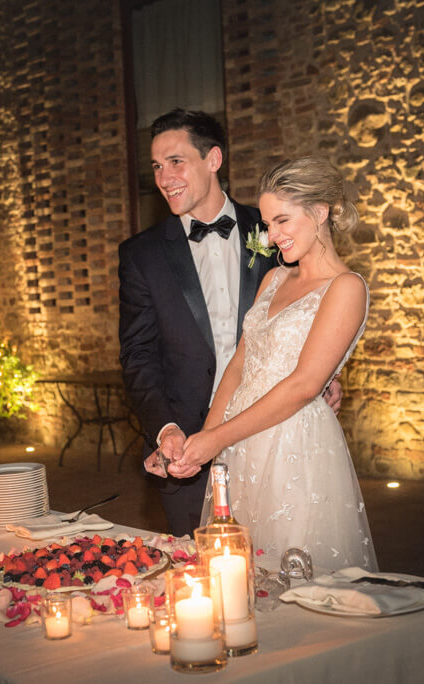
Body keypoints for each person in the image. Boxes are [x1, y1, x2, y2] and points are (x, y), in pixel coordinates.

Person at [118, 109, 341, 537]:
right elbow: (137, 354)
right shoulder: (141, 255)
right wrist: (166, 428)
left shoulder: (276, 230)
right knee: (199, 580)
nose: (164, 178)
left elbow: (316, 299)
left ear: (213, 159)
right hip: (186, 446)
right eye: (157, 167)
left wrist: (326, 370)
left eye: (176, 162)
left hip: (274, 433)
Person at [165, 156, 377, 573]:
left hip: (295, 447)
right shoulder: (274, 278)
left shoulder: (346, 288)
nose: (272, 235)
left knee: (293, 575)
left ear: (319, 213)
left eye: (282, 221)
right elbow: (239, 366)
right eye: (267, 224)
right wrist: (204, 441)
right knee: (238, 576)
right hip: (241, 445)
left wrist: (218, 436)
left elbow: (303, 385)